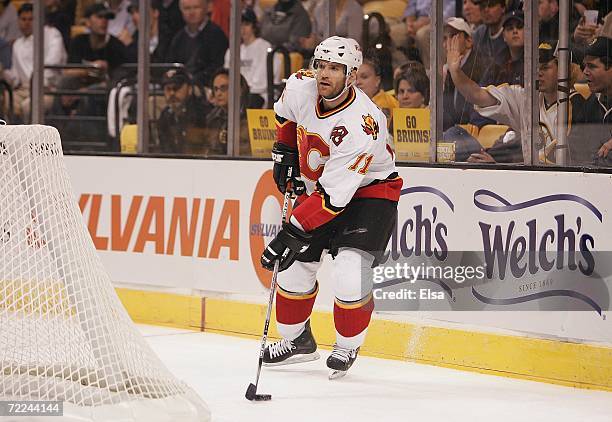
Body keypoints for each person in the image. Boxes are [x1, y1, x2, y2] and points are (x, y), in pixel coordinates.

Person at [260, 36, 402, 377]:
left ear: (351, 75)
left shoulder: (363, 124)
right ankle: (298, 342)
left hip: (369, 194)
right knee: (294, 269)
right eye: (320, 65)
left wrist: (290, 234)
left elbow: (333, 198)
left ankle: (347, 345)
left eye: (335, 68)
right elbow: (284, 115)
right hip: (323, 188)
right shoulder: (300, 85)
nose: (324, 74)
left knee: (350, 272)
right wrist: (285, 152)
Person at [447, 38, 586, 164]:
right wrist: (456, 72)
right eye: (536, 67)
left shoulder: (580, 106)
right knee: (454, 134)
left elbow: (573, 161)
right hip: (526, 180)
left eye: (545, 68)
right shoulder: (526, 99)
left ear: (565, 70)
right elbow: (477, 95)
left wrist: (502, 165)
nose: (539, 72)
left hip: (559, 184)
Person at [2, 3, 67, 122]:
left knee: (28, 106)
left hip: (47, 89)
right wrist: (3, 72)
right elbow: (15, 78)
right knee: (3, 99)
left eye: (31, 19)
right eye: (23, 19)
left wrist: (35, 85)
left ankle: (32, 140)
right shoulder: (17, 44)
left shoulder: (52, 34)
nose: (27, 23)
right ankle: (8, 138)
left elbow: (51, 67)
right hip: (23, 89)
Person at [441, 17, 497, 130]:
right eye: (444, 38)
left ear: (469, 41)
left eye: (453, 36)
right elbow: (446, 112)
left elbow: (480, 111)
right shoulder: (448, 68)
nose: (447, 43)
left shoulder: (486, 66)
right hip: (455, 135)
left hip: (476, 135)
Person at [568, 36, 612, 166]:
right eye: (585, 66)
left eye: (592, 66)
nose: (585, 72)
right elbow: (577, 154)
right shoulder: (590, 105)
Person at [165, 0, 228, 88]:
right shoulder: (178, 38)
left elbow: (217, 67)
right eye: (187, 8)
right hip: (181, 88)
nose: (191, 12)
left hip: (207, 88)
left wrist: (192, 80)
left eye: (196, 7)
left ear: (207, 8)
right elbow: (171, 65)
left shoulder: (216, 35)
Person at [223, 7, 278, 107]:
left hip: (258, 96)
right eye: (239, 25)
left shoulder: (265, 48)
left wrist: (241, 91)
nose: (242, 29)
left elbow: (262, 83)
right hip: (237, 95)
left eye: (246, 24)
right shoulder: (231, 51)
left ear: (254, 26)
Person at [65, 2, 129, 83]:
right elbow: (68, 71)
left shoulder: (116, 46)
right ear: (88, 22)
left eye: (106, 18)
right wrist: (91, 68)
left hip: (103, 90)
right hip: (80, 86)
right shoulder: (78, 41)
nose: (104, 21)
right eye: (99, 17)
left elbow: (122, 76)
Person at [156, 68, 211, 154]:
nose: (171, 93)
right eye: (168, 89)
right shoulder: (165, 115)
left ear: (189, 89)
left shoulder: (203, 112)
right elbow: (165, 148)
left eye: (176, 88)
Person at [203, 68, 252, 156]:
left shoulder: (251, 115)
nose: (218, 93)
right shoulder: (212, 118)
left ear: (240, 89)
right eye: (216, 89)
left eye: (223, 88)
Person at [356, 56, 398, 122]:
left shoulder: (391, 103)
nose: (357, 82)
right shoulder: (347, 103)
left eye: (364, 77)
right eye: (355, 78)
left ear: (377, 80)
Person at [471, 0, 508, 67]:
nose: (486, 10)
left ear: (503, 8)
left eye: (491, 5)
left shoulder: (512, 31)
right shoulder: (479, 34)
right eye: (482, 6)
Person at [498, 10, 524, 86]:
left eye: (519, 27)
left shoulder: (535, 60)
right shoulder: (498, 62)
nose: (515, 31)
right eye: (510, 28)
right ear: (503, 36)